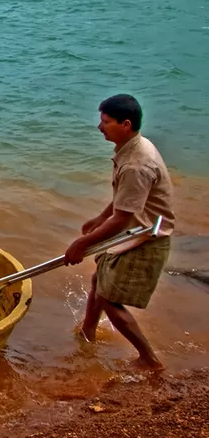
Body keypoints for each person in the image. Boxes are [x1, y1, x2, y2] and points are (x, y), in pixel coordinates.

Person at [64, 93, 175, 371]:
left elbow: (123, 219)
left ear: (125, 124)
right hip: (135, 228)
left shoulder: (137, 164)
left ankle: (149, 359)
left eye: (105, 122)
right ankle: (87, 333)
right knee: (98, 281)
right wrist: (100, 217)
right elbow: (126, 200)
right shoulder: (133, 148)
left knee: (110, 300)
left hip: (145, 237)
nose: (100, 127)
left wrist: (81, 244)